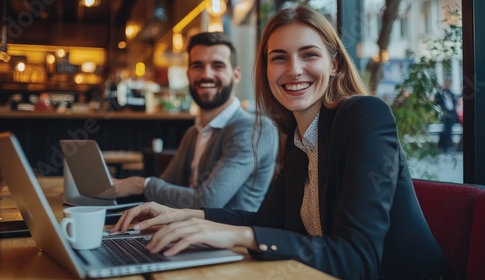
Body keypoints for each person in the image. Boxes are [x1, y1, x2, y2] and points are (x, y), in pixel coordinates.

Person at [111, 6, 451, 279]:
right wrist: (183, 214)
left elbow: (356, 259)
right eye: (279, 58)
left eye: (309, 55)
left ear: (334, 64)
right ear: (266, 69)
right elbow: (264, 223)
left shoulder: (365, 116)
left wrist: (237, 236)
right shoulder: (298, 138)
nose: (294, 69)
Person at [113, 32, 279, 211]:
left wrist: (139, 185)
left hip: (229, 236)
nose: (206, 74)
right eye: (197, 66)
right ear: (189, 74)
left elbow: (207, 202)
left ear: (236, 75)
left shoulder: (254, 129)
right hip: (183, 231)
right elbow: (163, 188)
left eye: (218, 66)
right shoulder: (193, 133)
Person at [435, 76, 459, 155]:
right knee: (445, 131)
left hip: (451, 115)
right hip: (444, 115)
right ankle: (444, 147)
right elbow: (438, 103)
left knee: (449, 131)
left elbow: (453, 104)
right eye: (446, 83)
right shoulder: (440, 93)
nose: (448, 84)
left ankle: (447, 147)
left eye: (449, 83)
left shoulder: (451, 94)